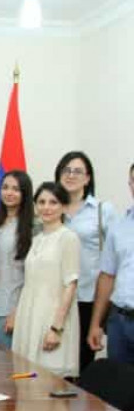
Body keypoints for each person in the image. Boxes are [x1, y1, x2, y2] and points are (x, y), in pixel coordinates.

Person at [55, 151, 118, 372]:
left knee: (81, 365)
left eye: (77, 171)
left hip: (87, 299)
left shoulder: (102, 210)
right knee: (54, 363)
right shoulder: (51, 208)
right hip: (55, 298)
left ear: (88, 178)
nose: (71, 175)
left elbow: (114, 257)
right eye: (66, 170)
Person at [13, 183, 81, 378]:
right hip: (30, 316)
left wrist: (56, 328)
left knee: (47, 382)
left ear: (64, 207)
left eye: (53, 202)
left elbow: (70, 285)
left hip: (52, 320)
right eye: (41, 202)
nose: (46, 207)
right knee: (26, 380)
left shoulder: (68, 238)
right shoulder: (37, 238)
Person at [88, 164, 134, 364]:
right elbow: (107, 276)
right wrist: (96, 323)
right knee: (119, 380)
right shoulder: (119, 227)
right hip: (119, 322)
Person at [0, 171, 34, 349]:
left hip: (9, 307)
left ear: (25, 193)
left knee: (3, 362)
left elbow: (31, 275)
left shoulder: (32, 227)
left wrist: (17, 311)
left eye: (15, 189)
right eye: (5, 187)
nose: (9, 193)